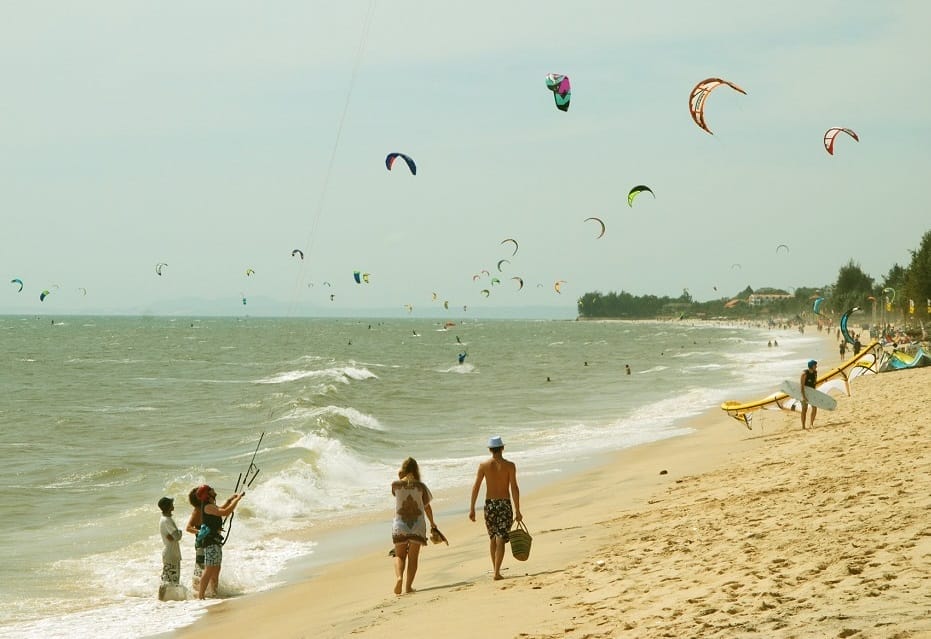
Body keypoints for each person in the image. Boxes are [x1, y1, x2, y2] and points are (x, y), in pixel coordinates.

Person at [469, 436, 522, 580]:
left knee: (493, 538)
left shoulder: (484, 465)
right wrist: (518, 510)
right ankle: (497, 572)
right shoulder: (510, 466)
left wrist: (472, 507)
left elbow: (476, 487)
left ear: (490, 450)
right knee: (500, 537)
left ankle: (495, 570)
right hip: (504, 504)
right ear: (502, 448)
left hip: (490, 504)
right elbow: (514, 488)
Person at [391, 458, 436, 595]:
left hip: (400, 524)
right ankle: (408, 587)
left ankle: (399, 578)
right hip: (417, 525)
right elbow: (427, 508)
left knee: (399, 555)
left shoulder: (395, 485)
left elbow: (396, 494)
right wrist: (433, 523)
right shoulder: (421, 486)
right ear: (416, 470)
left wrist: (401, 476)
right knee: (413, 558)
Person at [195, 484, 245, 599]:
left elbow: (221, 509)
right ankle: (201, 596)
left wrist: (230, 500)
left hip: (215, 541)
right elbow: (225, 512)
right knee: (209, 569)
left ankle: (214, 593)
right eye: (211, 489)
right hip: (211, 542)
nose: (213, 490)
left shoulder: (210, 505)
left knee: (216, 569)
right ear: (207, 495)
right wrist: (237, 500)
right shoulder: (208, 506)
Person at [157, 497, 183, 601]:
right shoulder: (167, 520)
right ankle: (161, 600)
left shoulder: (165, 519)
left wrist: (174, 536)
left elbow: (173, 537)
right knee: (168, 580)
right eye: (172, 504)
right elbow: (177, 537)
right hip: (171, 554)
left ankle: (166, 600)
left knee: (169, 579)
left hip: (172, 553)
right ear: (168, 507)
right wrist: (179, 532)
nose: (173, 506)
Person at [185, 488, 205, 593]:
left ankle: (203, 589)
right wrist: (201, 532)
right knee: (200, 566)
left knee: (206, 566)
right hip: (201, 543)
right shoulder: (197, 510)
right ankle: (197, 591)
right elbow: (188, 527)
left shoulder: (205, 508)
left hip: (207, 542)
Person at [800, 359, 818, 430]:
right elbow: (802, 386)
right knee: (804, 409)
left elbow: (814, 384)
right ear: (811, 366)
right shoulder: (804, 374)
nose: (816, 366)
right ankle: (803, 426)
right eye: (815, 365)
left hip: (812, 393)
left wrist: (814, 393)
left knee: (814, 408)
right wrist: (804, 397)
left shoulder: (815, 373)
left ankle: (811, 424)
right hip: (804, 393)